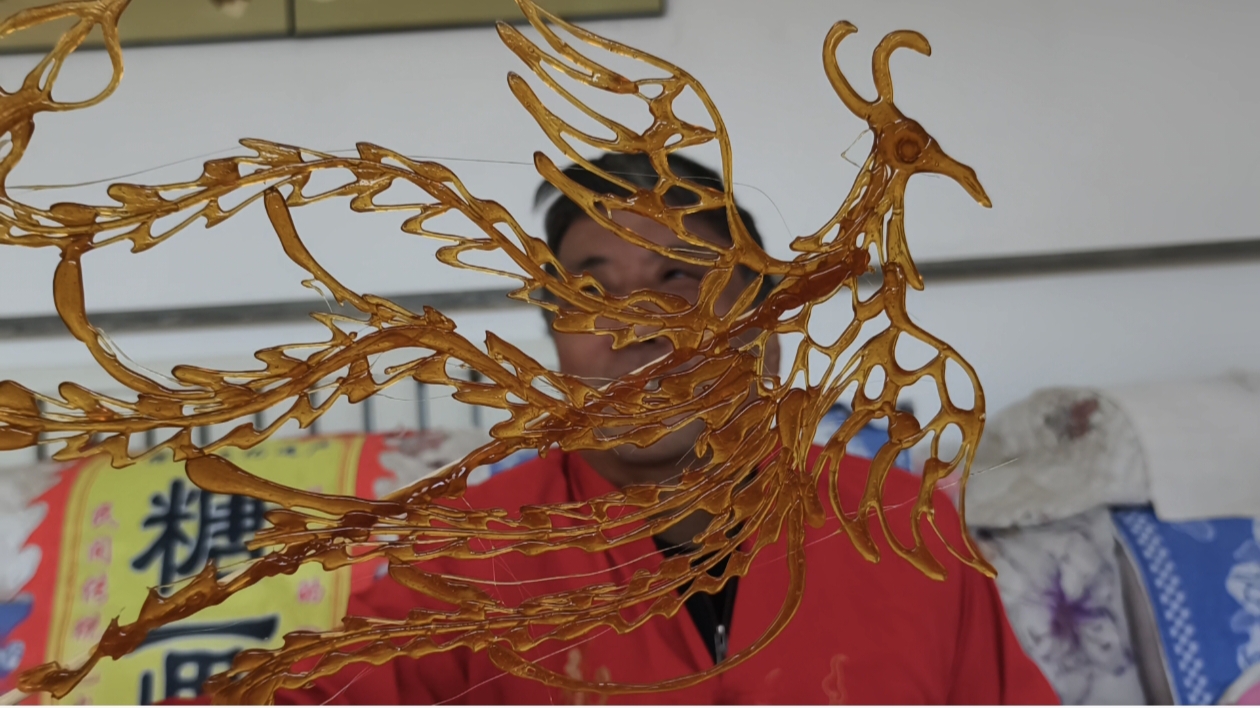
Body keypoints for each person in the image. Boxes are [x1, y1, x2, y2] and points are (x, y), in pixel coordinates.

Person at [275, 152, 1058, 704]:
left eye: (680, 279)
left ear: (765, 328)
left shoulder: (902, 526)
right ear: (556, 348)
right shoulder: (474, 557)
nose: (633, 327)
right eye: (590, 297)